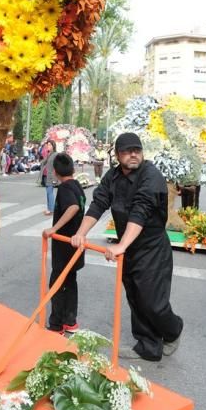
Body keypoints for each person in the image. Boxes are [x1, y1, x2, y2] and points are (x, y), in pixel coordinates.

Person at [71, 132, 183, 361]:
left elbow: (141, 211)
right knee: (135, 297)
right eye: (127, 151)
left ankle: (173, 331)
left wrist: (121, 244)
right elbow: (99, 203)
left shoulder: (151, 176)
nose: (133, 155)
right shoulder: (112, 177)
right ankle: (147, 346)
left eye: (137, 150)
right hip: (129, 247)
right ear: (117, 155)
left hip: (151, 248)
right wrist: (80, 233)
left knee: (153, 302)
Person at [43, 153, 86, 333]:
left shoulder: (65, 189)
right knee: (70, 283)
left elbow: (73, 207)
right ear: (73, 169)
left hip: (65, 247)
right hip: (75, 247)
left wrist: (54, 229)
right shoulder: (76, 185)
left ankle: (56, 325)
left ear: (55, 171)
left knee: (57, 284)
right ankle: (70, 321)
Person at [42, 140, 57, 216]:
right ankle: (49, 208)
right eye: (47, 145)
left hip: (52, 176)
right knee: (48, 193)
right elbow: (43, 162)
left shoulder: (55, 155)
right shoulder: (49, 154)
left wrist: (55, 179)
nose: (48, 146)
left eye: (50, 145)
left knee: (50, 193)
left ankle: (51, 209)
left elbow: (55, 167)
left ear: (53, 146)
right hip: (47, 176)